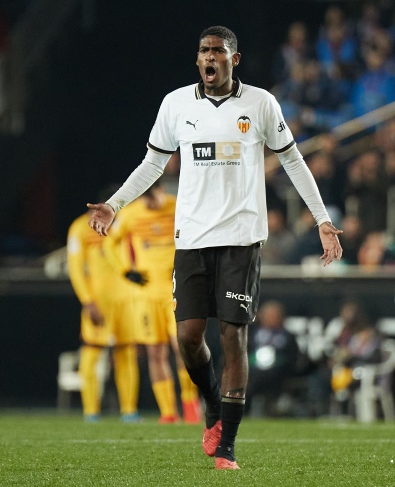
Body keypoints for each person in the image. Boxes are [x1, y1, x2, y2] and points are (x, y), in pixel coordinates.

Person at [87, 26, 342, 470]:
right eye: (203, 51)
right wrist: (114, 205)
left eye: (218, 51)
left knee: (232, 336)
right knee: (188, 337)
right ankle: (212, 403)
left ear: (233, 59)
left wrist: (322, 219)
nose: (209, 57)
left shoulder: (260, 103)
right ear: (198, 59)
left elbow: (292, 159)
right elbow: (153, 163)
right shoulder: (176, 104)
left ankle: (227, 447)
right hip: (191, 238)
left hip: (241, 239)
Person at [105, 180, 202, 424]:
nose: (149, 203)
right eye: (145, 199)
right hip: (146, 295)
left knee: (183, 347)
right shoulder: (130, 215)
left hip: (176, 291)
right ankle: (168, 412)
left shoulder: (178, 206)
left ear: (161, 191)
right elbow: (109, 243)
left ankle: (190, 402)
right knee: (155, 352)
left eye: (153, 197)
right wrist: (125, 270)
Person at [66, 211, 141, 422]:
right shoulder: (80, 227)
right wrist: (87, 300)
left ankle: (129, 411)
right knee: (91, 352)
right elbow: (75, 267)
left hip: (127, 300)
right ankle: (91, 411)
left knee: (126, 354)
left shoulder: (125, 222)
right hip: (99, 302)